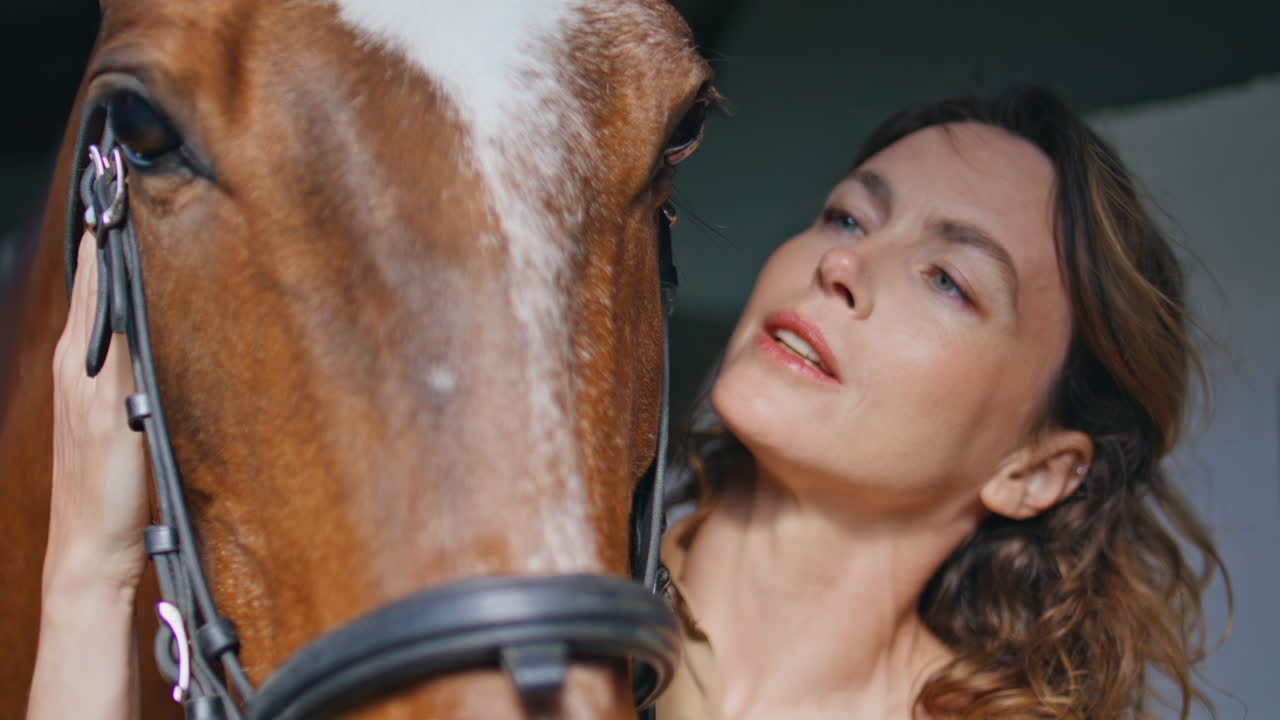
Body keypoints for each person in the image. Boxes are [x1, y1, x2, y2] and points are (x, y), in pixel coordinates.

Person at [30, 87, 1225, 720]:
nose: (840, 264)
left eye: (949, 279)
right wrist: (87, 579)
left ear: (1036, 470)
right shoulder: (484, 598)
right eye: (849, 215)